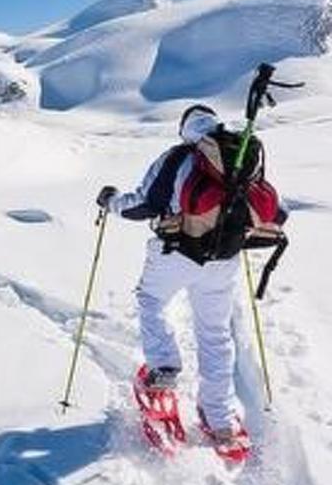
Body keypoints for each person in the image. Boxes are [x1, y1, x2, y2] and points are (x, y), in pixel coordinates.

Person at [96, 105, 287, 451]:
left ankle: (163, 368)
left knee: (151, 301)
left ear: (186, 129)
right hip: (224, 260)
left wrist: (109, 201)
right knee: (214, 334)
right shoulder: (243, 158)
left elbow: (144, 205)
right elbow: (275, 211)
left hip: (176, 252)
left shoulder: (179, 158)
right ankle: (220, 417)